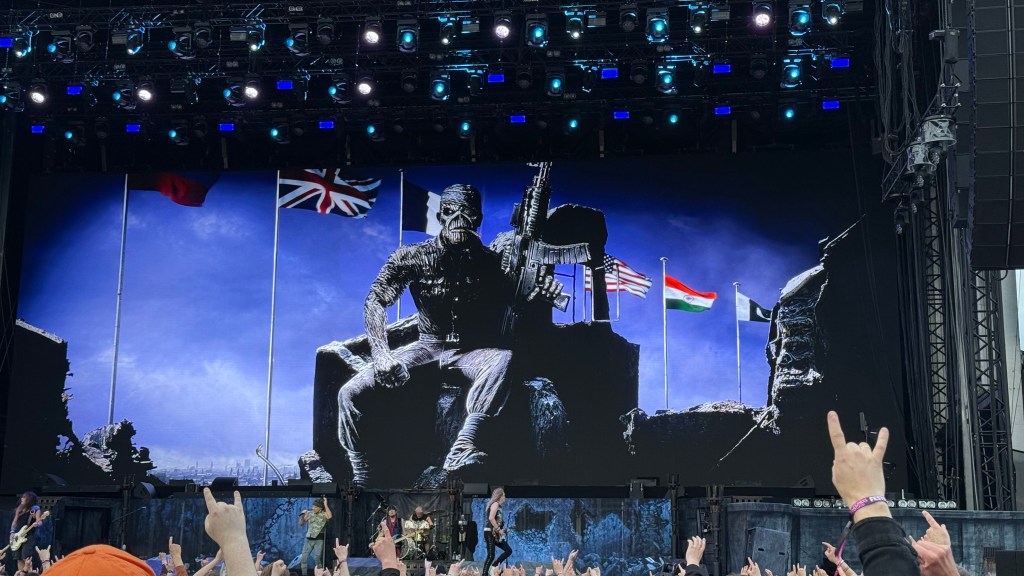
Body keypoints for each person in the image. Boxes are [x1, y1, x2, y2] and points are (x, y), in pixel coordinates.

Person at [337, 183, 562, 485]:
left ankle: (463, 445)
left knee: (503, 359)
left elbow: (517, 302)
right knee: (349, 391)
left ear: (478, 219)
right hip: (426, 348)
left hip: (472, 352)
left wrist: (542, 294)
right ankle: (361, 474)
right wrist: (381, 354)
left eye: (467, 212)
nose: (458, 219)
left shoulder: (493, 264)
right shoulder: (412, 256)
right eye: (450, 211)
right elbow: (376, 300)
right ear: (440, 215)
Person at [297, 496, 333, 576]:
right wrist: (303, 515)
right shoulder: (310, 513)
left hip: (318, 540)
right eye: (313, 506)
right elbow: (301, 524)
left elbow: (329, 516)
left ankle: (320, 574)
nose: (313, 508)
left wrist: (325, 504)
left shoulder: (324, 514)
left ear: (320, 508)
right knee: (304, 558)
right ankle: (304, 574)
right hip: (309, 539)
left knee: (317, 558)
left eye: (316, 507)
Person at [9, 491, 43, 573]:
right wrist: (12, 532)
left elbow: (40, 521)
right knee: (18, 558)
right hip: (17, 536)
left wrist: (37, 524)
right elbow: (14, 522)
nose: (22, 498)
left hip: (29, 536)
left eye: (24, 497)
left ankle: (29, 573)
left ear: (29, 499)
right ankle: (21, 574)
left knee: (26, 557)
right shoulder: (19, 510)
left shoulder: (35, 509)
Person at [482, 487, 512, 576]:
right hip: (490, 533)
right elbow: (491, 518)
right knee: (491, 555)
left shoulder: (499, 506)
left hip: (496, 534)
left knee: (508, 550)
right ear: (500, 496)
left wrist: (503, 530)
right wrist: (499, 530)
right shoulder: (495, 504)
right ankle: (484, 574)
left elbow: (496, 521)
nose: (505, 497)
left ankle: (494, 565)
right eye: (504, 495)